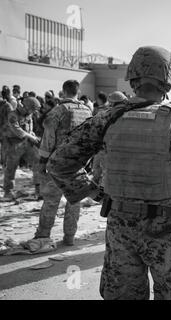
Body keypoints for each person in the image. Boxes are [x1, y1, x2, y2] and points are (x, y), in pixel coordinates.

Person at [46, 46, 171, 300]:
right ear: (168, 82)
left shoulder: (107, 118)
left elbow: (58, 163)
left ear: (132, 78)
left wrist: (93, 192)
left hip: (121, 226)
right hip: (168, 230)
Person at [33, 80, 93, 246]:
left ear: (63, 91)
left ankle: (43, 235)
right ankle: (69, 237)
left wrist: (43, 161)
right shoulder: (87, 110)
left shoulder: (58, 110)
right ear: (78, 91)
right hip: (78, 163)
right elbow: (91, 138)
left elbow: (48, 139)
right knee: (74, 200)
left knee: (52, 200)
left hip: (58, 162)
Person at [2, 97, 41, 199]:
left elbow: (30, 124)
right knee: (11, 167)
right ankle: (8, 192)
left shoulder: (29, 114)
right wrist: (31, 136)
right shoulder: (12, 114)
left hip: (26, 143)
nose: (34, 112)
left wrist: (32, 133)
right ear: (27, 107)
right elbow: (16, 130)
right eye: (33, 109)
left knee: (38, 161)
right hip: (13, 144)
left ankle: (39, 190)